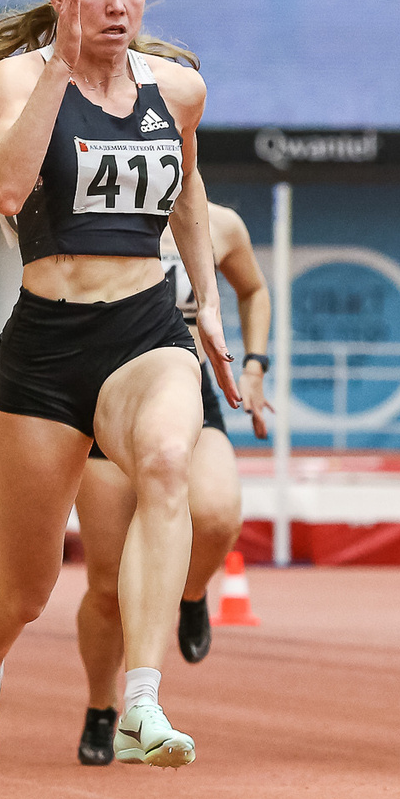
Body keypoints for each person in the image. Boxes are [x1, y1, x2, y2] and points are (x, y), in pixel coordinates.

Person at [0, 0, 238, 775]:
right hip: (47, 346)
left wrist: (207, 301)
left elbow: (187, 190)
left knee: (168, 464)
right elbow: (3, 186)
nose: (117, 4)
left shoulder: (177, 88)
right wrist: (62, 74)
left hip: (144, 327)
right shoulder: (18, 79)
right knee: (25, 589)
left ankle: (140, 698)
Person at [69, 197, 271, 766]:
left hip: (180, 388)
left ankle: (189, 590)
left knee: (217, 514)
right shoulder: (84, 208)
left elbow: (253, 289)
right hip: (100, 393)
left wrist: (254, 364)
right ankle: (101, 708)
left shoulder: (221, 223)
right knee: (107, 585)